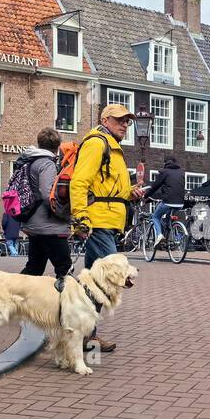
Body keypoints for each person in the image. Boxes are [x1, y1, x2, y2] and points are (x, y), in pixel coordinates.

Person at [71, 104, 138, 353]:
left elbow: (107, 188)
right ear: (105, 120)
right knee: (109, 279)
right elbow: (80, 182)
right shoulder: (97, 143)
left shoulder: (113, 147)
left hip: (108, 223)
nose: (124, 125)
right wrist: (81, 219)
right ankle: (83, 333)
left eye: (127, 121)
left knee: (93, 283)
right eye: (119, 120)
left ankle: (84, 334)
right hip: (99, 223)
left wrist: (129, 193)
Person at [18, 128, 73, 279]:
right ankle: (64, 302)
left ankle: (14, 296)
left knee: (34, 269)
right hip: (50, 227)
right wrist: (65, 213)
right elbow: (47, 194)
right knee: (65, 270)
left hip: (34, 224)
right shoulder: (47, 164)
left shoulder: (30, 161)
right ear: (58, 146)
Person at [143, 157, 187, 247]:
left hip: (168, 201)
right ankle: (169, 234)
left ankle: (159, 235)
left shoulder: (165, 172)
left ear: (165, 164)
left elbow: (155, 186)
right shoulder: (182, 173)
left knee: (155, 216)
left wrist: (145, 196)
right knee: (168, 217)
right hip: (180, 203)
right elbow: (177, 187)